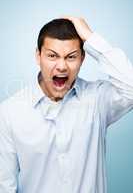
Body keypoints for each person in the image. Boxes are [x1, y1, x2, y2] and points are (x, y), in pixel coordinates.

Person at [0, 16, 133, 193]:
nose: (62, 66)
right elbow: (4, 185)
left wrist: (90, 37)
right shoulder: (9, 112)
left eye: (71, 57)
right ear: (38, 56)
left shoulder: (97, 100)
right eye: (52, 56)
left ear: (82, 58)